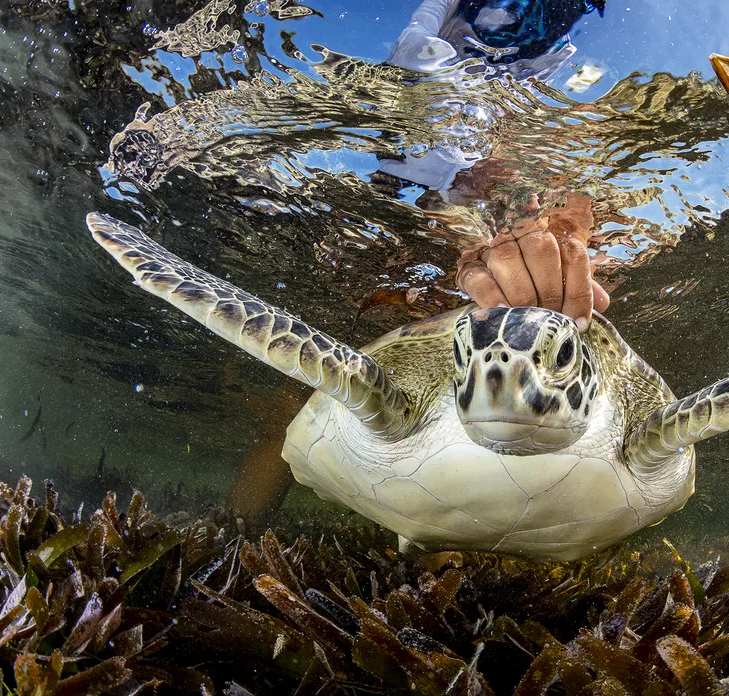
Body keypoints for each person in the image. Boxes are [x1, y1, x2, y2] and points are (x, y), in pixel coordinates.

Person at [228, 0, 610, 521]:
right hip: (400, 203)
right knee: (296, 401)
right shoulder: (426, 50)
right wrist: (474, 226)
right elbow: (429, 150)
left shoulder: (565, 66)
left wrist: (556, 219)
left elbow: (556, 159)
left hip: (468, 190)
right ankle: (235, 536)